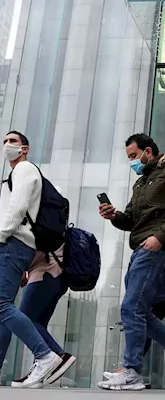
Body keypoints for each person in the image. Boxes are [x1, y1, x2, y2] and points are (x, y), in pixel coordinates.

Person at [97, 133, 165, 391]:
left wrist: (160, 236)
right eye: (129, 158)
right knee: (139, 311)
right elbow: (132, 221)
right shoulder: (142, 182)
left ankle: (132, 371)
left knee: (132, 307)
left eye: (134, 156)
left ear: (148, 151)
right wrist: (114, 215)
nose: (132, 162)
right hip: (143, 248)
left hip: (158, 248)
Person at [0, 131, 65, 388]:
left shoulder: (25, 169)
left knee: (2, 305)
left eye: (12, 141)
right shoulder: (12, 177)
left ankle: (45, 354)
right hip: (15, 245)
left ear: (24, 148)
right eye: (4, 141)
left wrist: (1, 236)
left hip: (12, 243)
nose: (7, 145)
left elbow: (17, 209)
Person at [1, 242, 77, 388]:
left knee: (23, 317)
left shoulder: (40, 222)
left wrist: (20, 267)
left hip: (45, 272)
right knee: (38, 322)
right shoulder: (56, 221)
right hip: (58, 275)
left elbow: (31, 244)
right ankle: (43, 372)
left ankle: (57, 356)